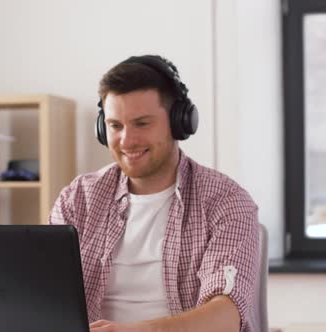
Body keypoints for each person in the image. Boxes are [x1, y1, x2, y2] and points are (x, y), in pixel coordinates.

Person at [49, 55, 259, 332]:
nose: (127, 140)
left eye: (142, 123)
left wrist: (142, 331)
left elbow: (226, 316)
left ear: (178, 122)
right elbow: (47, 296)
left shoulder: (226, 201)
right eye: (115, 125)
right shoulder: (78, 198)